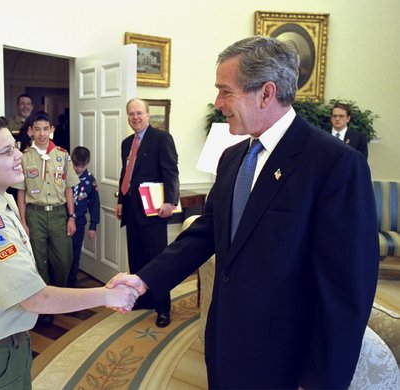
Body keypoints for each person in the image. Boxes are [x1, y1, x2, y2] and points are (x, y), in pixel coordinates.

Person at [109, 36, 378, 389]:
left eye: (226, 91)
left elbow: (346, 291)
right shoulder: (233, 158)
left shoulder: (335, 164)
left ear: (266, 93)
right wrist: (146, 279)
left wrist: (320, 382)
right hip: (224, 342)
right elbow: (205, 232)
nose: (218, 102)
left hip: (284, 360)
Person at [0, 115, 137, 389]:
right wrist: (109, 294)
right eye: (7, 151)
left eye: (15, 145)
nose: (19, 155)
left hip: (3, 345)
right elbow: (34, 299)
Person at [115, 98, 180, 328]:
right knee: (137, 259)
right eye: (131, 114)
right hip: (132, 211)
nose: (135, 117)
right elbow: (127, 174)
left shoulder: (161, 139)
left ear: (148, 114)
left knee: (157, 261)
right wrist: (121, 200)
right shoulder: (126, 143)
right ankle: (144, 300)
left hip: (154, 211)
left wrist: (170, 201)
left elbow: (171, 172)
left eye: (139, 113)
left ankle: (163, 309)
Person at [13, 111, 79, 323]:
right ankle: (44, 306)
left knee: (63, 259)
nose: (42, 133)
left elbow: (69, 188)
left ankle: (63, 298)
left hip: (59, 214)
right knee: (38, 260)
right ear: (30, 131)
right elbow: (21, 193)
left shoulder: (62, 155)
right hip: (35, 215)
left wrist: (72, 216)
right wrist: (23, 222)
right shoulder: (24, 158)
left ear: (52, 130)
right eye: (37, 129)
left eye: (46, 129)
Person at [68, 146, 100, 287]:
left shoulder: (90, 180)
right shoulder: (65, 176)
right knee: (61, 256)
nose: (78, 169)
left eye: (82, 166)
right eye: (76, 165)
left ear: (87, 163)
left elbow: (94, 204)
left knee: (75, 255)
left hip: (80, 222)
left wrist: (93, 225)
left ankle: (72, 284)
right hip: (62, 219)